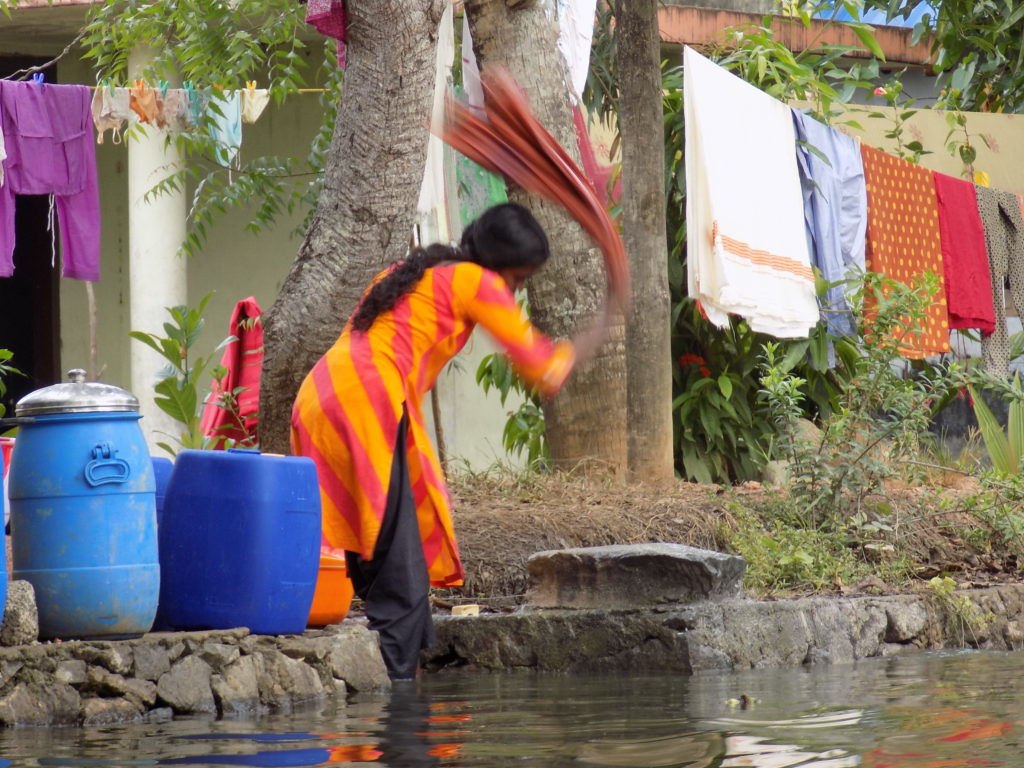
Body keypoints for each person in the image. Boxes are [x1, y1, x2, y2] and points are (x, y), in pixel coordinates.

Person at [290, 202, 613, 680]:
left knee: (379, 552)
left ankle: (400, 687)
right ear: (500, 265)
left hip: (321, 394)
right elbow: (544, 368)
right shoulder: (478, 281)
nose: (517, 291)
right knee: (399, 570)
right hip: (366, 398)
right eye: (520, 280)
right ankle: (399, 708)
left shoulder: (411, 269)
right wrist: (604, 320)